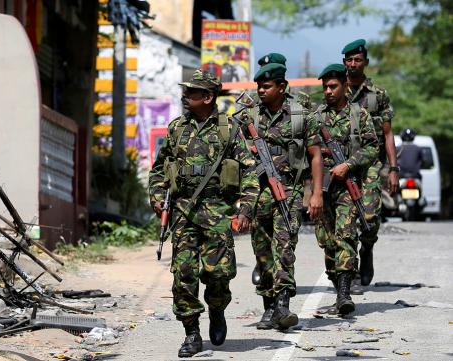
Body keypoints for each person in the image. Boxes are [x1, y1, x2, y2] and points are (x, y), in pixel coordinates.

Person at [148, 70, 259, 357]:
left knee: (219, 273)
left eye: (192, 92)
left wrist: (245, 208)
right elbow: (159, 169)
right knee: (183, 274)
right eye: (186, 92)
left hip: (217, 211)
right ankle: (191, 332)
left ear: (208, 97)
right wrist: (158, 197)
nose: (186, 97)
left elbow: (249, 171)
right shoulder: (176, 129)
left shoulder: (229, 129)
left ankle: (217, 308)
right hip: (183, 212)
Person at [236, 61, 324, 330]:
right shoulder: (249, 117)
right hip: (257, 193)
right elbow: (234, 150)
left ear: (282, 87)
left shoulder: (300, 116)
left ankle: (283, 305)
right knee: (262, 253)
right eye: (259, 87)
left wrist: (316, 192)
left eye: (267, 86)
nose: (261, 91)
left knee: (285, 248)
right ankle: (268, 306)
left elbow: (315, 155)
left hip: (289, 191)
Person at [313, 64, 379, 315]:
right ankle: (336, 283)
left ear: (344, 86)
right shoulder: (316, 117)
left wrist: (349, 164)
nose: (328, 91)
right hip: (322, 187)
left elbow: (373, 148)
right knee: (327, 241)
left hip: (347, 188)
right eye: (325, 87)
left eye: (333, 86)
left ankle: (344, 293)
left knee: (346, 236)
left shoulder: (358, 115)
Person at [342, 39, 399, 287]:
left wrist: (394, 169)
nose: (353, 64)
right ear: (344, 61)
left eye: (358, 60)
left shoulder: (377, 96)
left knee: (370, 216)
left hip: (371, 165)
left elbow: (387, 133)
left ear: (365, 62)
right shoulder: (334, 89)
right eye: (349, 60)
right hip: (342, 162)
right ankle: (352, 272)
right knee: (345, 219)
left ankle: (367, 249)